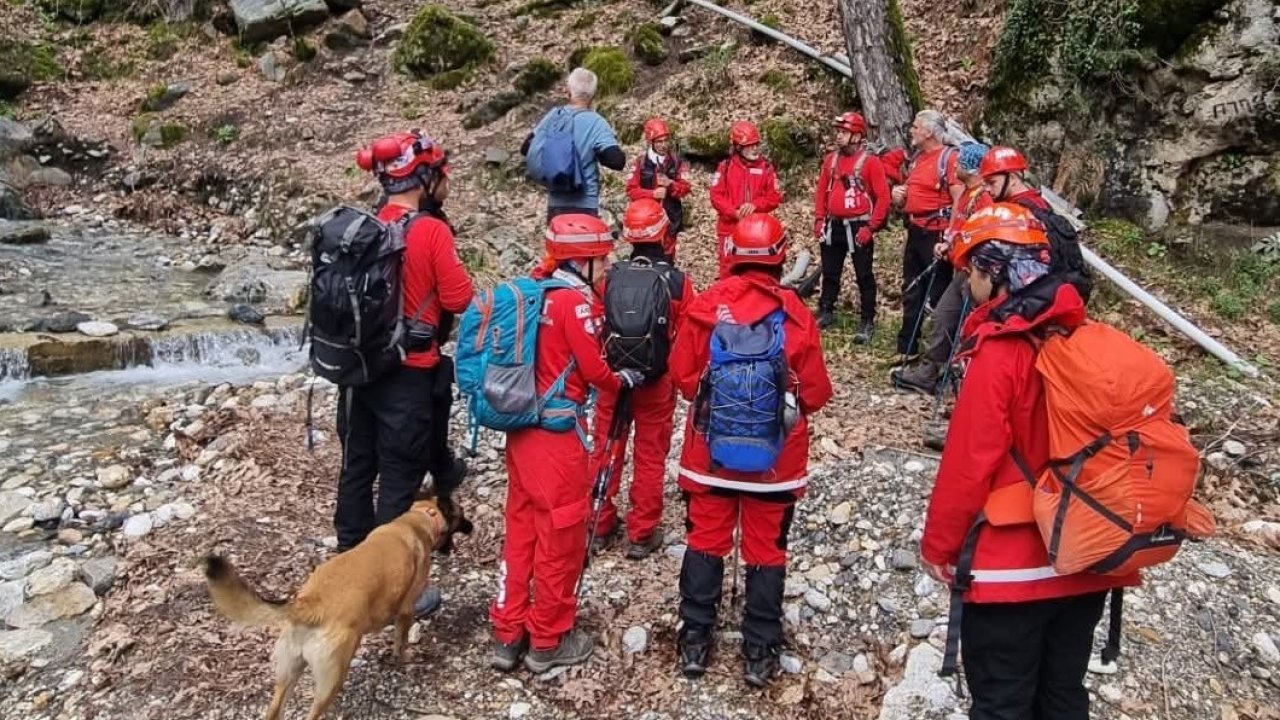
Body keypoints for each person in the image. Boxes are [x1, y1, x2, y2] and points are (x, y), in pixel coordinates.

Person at [921, 203, 1139, 719]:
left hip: (1012, 571)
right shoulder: (1087, 340)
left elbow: (969, 461)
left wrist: (940, 545)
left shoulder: (1001, 353)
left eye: (970, 270)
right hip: (1088, 555)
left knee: (1002, 702)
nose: (967, 281)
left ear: (993, 272)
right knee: (1062, 697)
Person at [670, 213, 833, 687]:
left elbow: (683, 381)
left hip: (710, 459)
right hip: (775, 464)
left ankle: (696, 639)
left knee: (705, 542)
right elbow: (817, 395)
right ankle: (759, 649)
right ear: (780, 256)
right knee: (767, 550)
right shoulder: (796, 314)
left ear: (731, 255)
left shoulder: (705, 306)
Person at [489, 214, 647, 673]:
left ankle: (507, 632)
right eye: (603, 259)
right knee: (561, 534)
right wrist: (624, 378)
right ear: (583, 262)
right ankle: (548, 638)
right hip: (557, 440)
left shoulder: (535, 291)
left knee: (520, 531)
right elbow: (597, 372)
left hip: (520, 430)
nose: (608, 266)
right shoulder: (575, 306)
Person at [338, 131, 474, 615]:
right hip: (410, 373)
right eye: (441, 175)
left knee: (357, 467)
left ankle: (347, 562)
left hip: (360, 372)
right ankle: (389, 591)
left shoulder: (367, 223)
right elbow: (459, 298)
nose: (446, 183)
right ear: (423, 178)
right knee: (398, 478)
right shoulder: (430, 230)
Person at [589, 198, 697, 558]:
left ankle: (600, 523)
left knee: (606, 446)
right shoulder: (678, 282)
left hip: (613, 377)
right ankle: (642, 532)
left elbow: (597, 326)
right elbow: (687, 338)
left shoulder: (610, 276)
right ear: (664, 232)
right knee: (650, 454)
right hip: (656, 380)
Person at [891, 141, 990, 395]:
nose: (955, 164)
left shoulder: (983, 198)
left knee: (969, 324)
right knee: (942, 317)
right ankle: (929, 372)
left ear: (972, 166)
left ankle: (966, 376)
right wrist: (948, 244)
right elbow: (960, 228)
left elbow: (983, 235)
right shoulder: (968, 194)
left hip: (975, 274)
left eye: (961, 161)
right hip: (959, 269)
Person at [890, 110, 963, 359]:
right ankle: (907, 348)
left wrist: (950, 236)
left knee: (938, 294)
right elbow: (913, 195)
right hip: (916, 231)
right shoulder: (918, 159)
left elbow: (959, 199)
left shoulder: (949, 159)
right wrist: (900, 198)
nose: (911, 130)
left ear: (929, 132)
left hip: (937, 235)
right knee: (911, 289)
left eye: (916, 126)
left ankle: (940, 353)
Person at [812, 111, 890, 341]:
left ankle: (867, 319)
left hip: (858, 226)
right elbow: (821, 192)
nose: (839, 136)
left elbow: (883, 198)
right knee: (830, 271)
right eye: (838, 131)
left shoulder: (870, 162)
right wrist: (819, 219)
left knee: (863, 274)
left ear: (857, 136)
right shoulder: (831, 161)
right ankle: (826, 309)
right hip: (833, 225)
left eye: (844, 132)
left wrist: (871, 227)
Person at [978, 146, 1092, 302]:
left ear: (1011, 179)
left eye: (992, 182)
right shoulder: (1041, 203)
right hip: (1051, 290)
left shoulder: (1016, 213)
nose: (987, 189)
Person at [521, 68, 627, 219]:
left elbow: (526, 148)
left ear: (568, 91)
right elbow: (617, 162)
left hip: (556, 207)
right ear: (593, 95)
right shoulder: (596, 122)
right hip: (585, 206)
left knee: (558, 242)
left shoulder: (553, 116)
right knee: (582, 243)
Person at [709, 122, 783, 279]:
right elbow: (716, 195)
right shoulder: (725, 167)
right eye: (749, 145)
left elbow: (774, 197)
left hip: (756, 231)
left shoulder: (766, 167)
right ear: (738, 147)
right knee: (728, 271)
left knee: (755, 272)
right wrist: (733, 213)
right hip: (729, 228)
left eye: (756, 144)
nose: (755, 148)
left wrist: (755, 205)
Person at [625, 118, 691, 260]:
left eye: (666, 141)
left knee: (668, 256)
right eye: (659, 142)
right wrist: (651, 194)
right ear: (651, 142)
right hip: (645, 220)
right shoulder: (641, 163)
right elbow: (631, 190)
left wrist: (671, 184)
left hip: (670, 217)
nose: (663, 145)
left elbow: (685, 187)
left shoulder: (676, 162)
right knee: (645, 254)